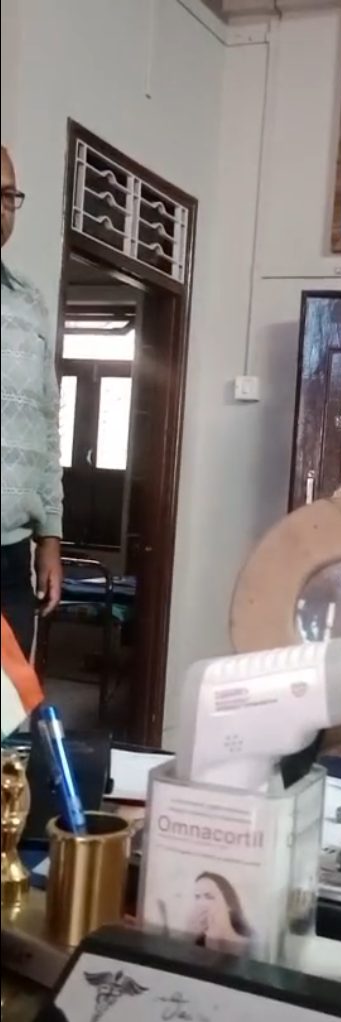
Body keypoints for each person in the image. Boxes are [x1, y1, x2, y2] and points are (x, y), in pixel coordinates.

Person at [1, 145, 63, 656]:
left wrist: (50, 538)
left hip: (11, 557)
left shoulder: (29, 301)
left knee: (9, 700)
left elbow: (47, 423)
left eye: (7, 196)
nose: (1, 209)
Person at [190, 871, 252, 954]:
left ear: (229, 904)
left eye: (209, 897)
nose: (201, 904)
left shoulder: (250, 947)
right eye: (197, 897)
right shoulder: (195, 943)